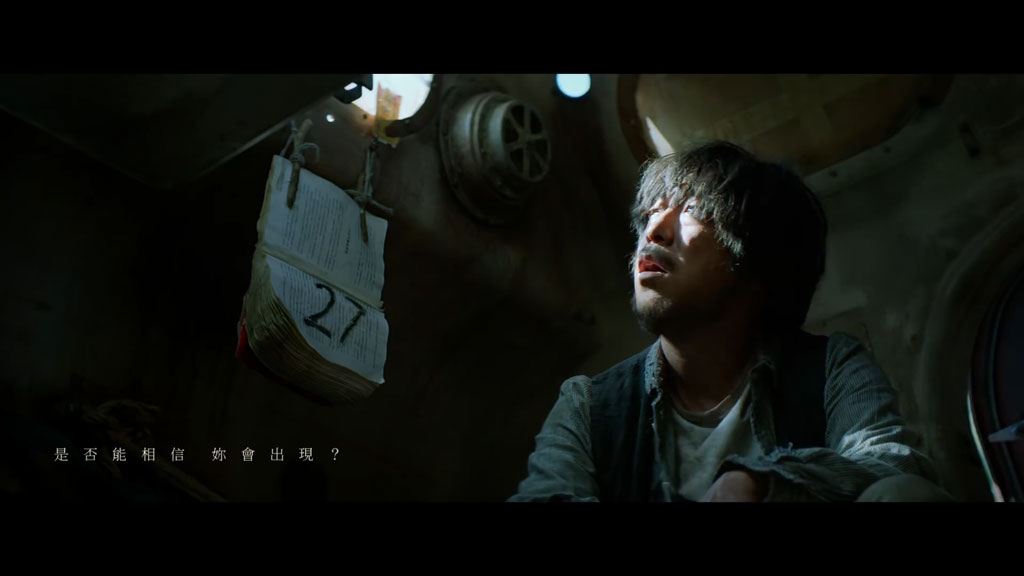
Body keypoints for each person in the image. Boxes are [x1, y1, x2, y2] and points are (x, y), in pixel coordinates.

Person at [509, 141, 949, 502]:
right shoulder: (588, 405)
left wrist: (759, 483)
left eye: (691, 209)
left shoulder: (831, 367)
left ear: (757, 264)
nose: (654, 230)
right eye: (652, 211)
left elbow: (891, 464)